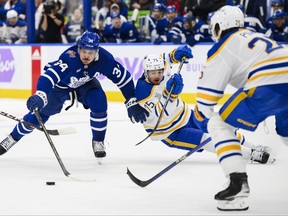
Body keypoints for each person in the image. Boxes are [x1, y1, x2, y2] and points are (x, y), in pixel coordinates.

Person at [0, 31, 149, 164]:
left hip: (85, 83)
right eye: (83, 51)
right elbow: (48, 77)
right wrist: (41, 95)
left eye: (90, 52)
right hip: (61, 86)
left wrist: (131, 101)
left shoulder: (105, 60)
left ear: (97, 51)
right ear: (78, 48)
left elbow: (124, 79)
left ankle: (98, 141)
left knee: (99, 102)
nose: (86, 56)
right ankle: (12, 138)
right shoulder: (69, 58)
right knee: (41, 114)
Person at [192, 5, 288, 211]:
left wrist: (203, 114)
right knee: (286, 134)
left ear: (218, 26)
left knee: (219, 125)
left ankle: (237, 186)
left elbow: (207, 99)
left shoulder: (224, 45)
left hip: (267, 86)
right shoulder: (258, 37)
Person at [135, 45, 274, 165]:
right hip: (169, 131)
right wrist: (171, 95)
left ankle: (254, 147)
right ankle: (251, 155)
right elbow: (161, 114)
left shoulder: (158, 66)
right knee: (208, 140)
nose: (158, 76)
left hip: (186, 115)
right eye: (153, 73)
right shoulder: (143, 92)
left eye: (160, 72)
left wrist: (176, 53)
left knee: (219, 128)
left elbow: (167, 58)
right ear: (146, 72)